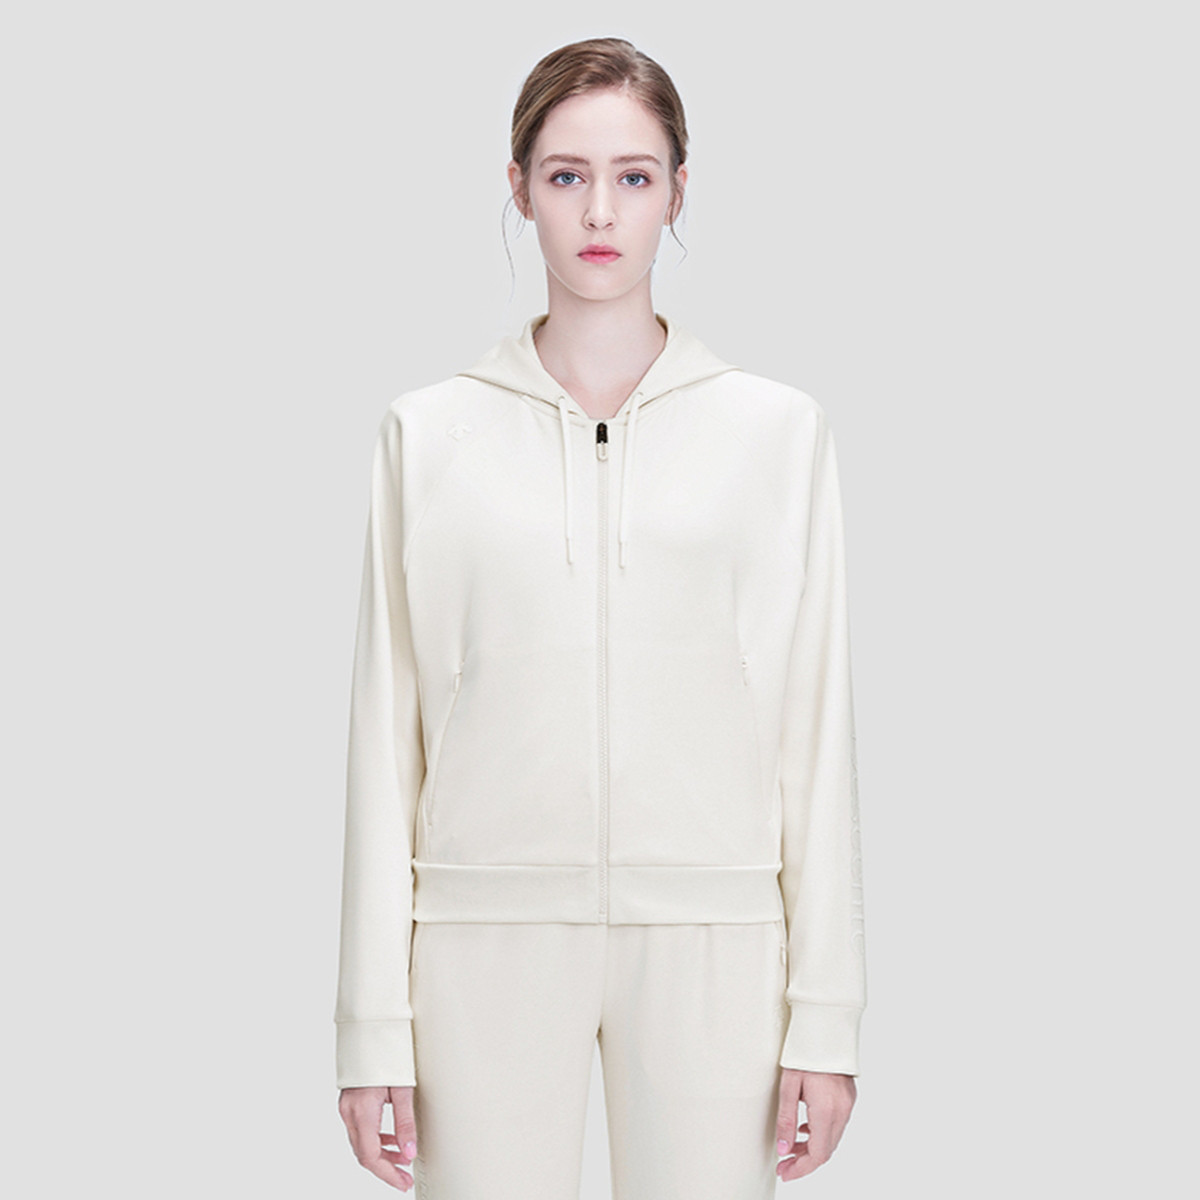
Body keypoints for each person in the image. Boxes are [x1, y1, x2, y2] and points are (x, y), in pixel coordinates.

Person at [334, 36, 867, 1199]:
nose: (599, 212)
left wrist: (824, 1016)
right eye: (566, 174)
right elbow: (387, 739)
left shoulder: (776, 436)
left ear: (679, 189)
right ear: (518, 185)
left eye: (634, 175)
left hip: (715, 937)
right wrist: (372, 1029)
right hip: (482, 938)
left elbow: (812, 733)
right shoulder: (428, 436)